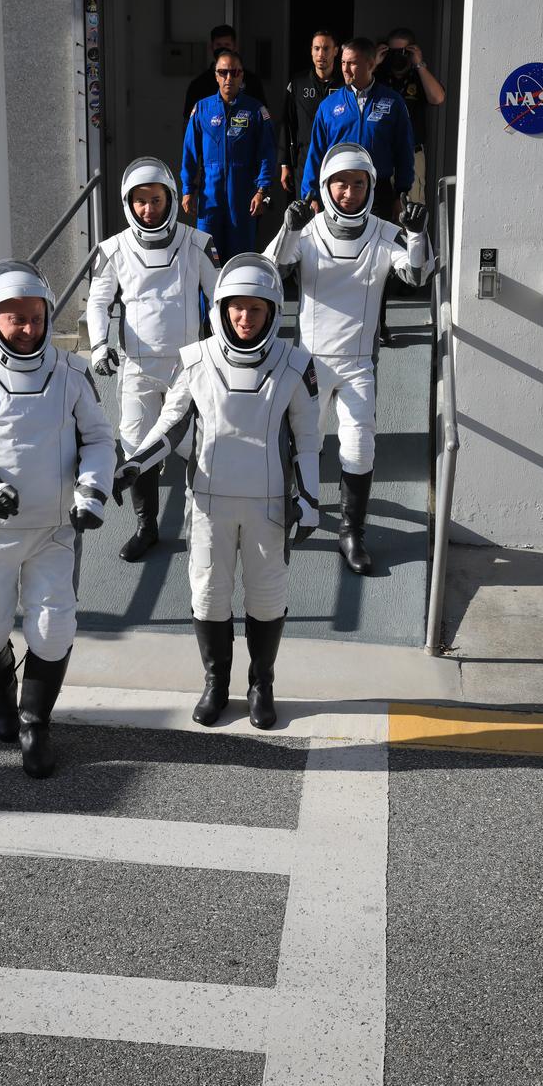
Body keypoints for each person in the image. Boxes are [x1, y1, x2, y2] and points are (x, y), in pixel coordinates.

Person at [112, 254, 320, 730]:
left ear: (273, 311)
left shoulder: (296, 363)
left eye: (256, 309)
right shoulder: (196, 359)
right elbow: (170, 423)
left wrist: (308, 500)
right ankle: (216, 683)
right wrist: (135, 465)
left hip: (268, 505)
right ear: (220, 309)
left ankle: (261, 683)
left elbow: (308, 441)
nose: (244, 318)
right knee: (208, 596)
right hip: (208, 502)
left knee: (266, 599)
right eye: (235, 308)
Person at [0, 260, 116, 778]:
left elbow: (99, 439)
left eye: (36, 317)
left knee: (54, 629)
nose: (29, 329)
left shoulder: (72, 372)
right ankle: (0, 691)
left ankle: (36, 723)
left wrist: (93, 490)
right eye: (16, 319)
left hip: (56, 529)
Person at [267, 142, 433, 575]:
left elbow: (417, 275)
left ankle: (350, 532)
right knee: (301, 445)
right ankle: (292, 514)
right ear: (324, 185)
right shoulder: (308, 230)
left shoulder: (383, 233)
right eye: (340, 182)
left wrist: (417, 235)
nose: (348, 192)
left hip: (360, 363)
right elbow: (269, 273)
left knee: (359, 450)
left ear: (370, 187)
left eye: (358, 184)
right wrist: (288, 228)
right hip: (310, 364)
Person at [87, 156, 219, 561]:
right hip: (138, 366)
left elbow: (219, 299)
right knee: (135, 448)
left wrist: (222, 347)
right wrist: (98, 344)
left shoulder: (198, 243)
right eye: (140, 201)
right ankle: (147, 527)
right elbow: (98, 300)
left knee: (201, 447)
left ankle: (204, 526)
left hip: (188, 366)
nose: (149, 209)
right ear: (128, 203)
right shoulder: (112, 250)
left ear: (172, 199)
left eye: (157, 199)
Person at [301, 37, 415, 220]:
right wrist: (311, 195)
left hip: (379, 193)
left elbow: (404, 151)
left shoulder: (393, 102)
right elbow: (316, 152)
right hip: (338, 192)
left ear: (370, 64)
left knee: (378, 248)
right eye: (343, 62)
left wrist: (402, 193)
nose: (345, 69)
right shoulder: (329, 105)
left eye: (352, 63)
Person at [181, 49, 276, 264]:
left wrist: (262, 190)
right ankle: (209, 299)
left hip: (242, 197)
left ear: (242, 75)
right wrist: (188, 190)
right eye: (223, 72)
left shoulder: (255, 110)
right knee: (207, 260)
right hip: (209, 197)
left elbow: (267, 154)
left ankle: (237, 300)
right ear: (215, 75)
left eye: (234, 72)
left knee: (240, 261)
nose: (228, 78)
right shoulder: (202, 109)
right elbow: (189, 152)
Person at [374, 26, 446, 205]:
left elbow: (438, 98)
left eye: (403, 52)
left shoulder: (418, 77)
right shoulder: (377, 77)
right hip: (381, 154)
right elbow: (354, 91)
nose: (398, 56)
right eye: (393, 52)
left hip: (411, 154)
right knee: (379, 215)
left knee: (411, 213)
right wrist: (373, 63)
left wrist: (419, 64)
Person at [278, 29, 344, 197]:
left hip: (337, 159)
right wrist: (284, 164)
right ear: (311, 50)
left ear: (336, 51)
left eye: (326, 48)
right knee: (307, 214)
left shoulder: (345, 85)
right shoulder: (298, 83)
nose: (321, 54)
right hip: (305, 159)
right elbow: (287, 123)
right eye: (316, 48)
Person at [183, 24, 267, 123]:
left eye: (227, 45)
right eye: (218, 45)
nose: (222, 49)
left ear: (234, 47)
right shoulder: (199, 84)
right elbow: (188, 123)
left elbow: (264, 116)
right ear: (211, 47)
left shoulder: (251, 81)